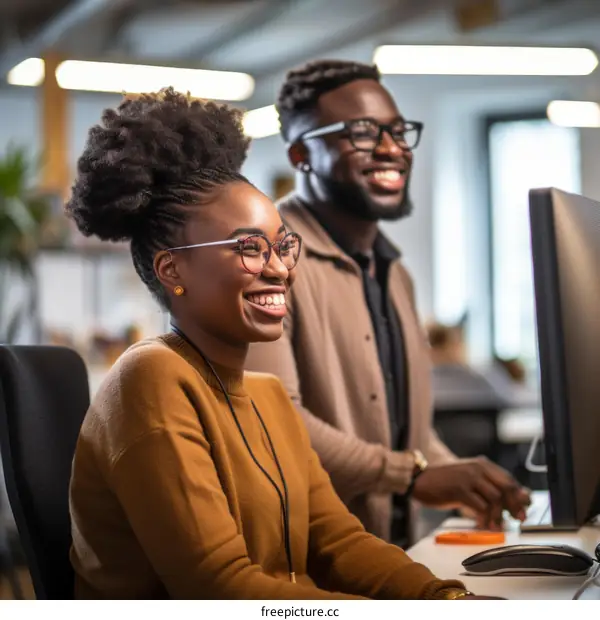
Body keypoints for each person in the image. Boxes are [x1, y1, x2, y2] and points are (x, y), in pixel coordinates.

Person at [65, 88, 495, 600]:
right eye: (248, 247)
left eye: (282, 245)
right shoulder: (151, 379)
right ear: (173, 269)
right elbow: (220, 588)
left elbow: (337, 541)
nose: (278, 268)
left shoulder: (268, 396)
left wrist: (444, 598)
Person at [245, 59, 531, 546]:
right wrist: (410, 475)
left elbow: (406, 436)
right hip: (306, 569)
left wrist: (462, 477)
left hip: (390, 554)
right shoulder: (269, 261)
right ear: (300, 155)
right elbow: (274, 423)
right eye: (361, 133)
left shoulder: (395, 274)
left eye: (399, 132)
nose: (391, 149)